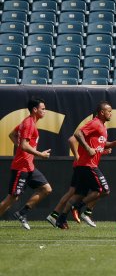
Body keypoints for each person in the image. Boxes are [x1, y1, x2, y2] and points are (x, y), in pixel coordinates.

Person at [56, 101, 116, 229]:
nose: (111, 113)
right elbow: (77, 134)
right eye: (109, 111)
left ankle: (61, 219)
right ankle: (79, 208)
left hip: (85, 165)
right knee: (104, 190)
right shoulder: (95, 123)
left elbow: (103, 144)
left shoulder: (103, 127)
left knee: (79, 194)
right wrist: (88, 149)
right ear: (101, 112)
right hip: (88, 165)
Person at [0, 97, 52, 230]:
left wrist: (21, 148)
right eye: (43, 109)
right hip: (21, 166)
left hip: (29, 166)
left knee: (46, 189)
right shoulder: (29, 124)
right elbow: (24, 145)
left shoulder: (29, 122)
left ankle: (22, 213)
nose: (45, 111)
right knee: (12, 198)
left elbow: (12, 134)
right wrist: (40, 154)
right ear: (35, 110)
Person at [46, 136, 99, 228]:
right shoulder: (90, 128)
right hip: (83, 166)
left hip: (82, 165)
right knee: (97, 189)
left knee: (74, 192)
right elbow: (72, 139)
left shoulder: (96, 132)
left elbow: (92, 148)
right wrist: (77, 156)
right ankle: (82, 212)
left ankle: (56, 216)